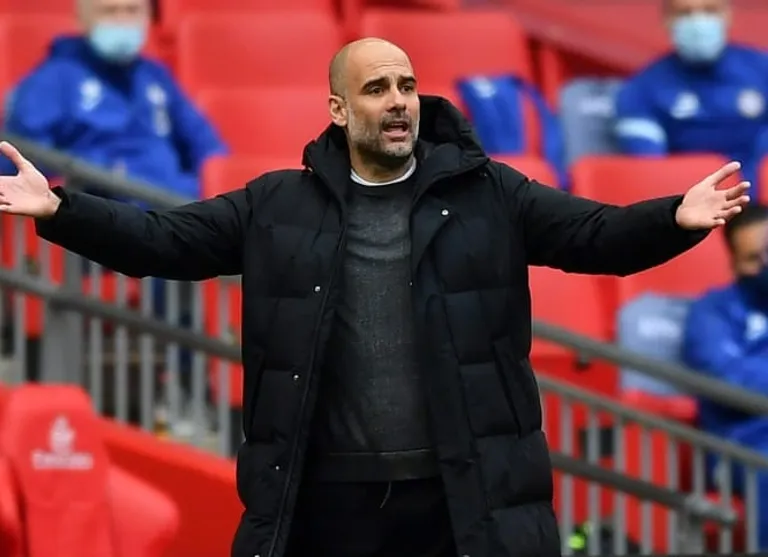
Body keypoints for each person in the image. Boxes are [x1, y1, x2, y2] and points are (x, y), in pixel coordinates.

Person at [0, 38, 750, 557]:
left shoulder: (489, 194)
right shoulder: (276, 204)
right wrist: (62, 210)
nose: (398, 103)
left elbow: (594, 235)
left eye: (407, 86)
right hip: (329, 504)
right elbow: (162, 239)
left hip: (460, 498)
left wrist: (672, 219)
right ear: (337, 109)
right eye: (377, 89)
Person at [0, 0, 227, 200]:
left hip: (174, 207)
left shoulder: (155, 76)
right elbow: (21, 159)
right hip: (104, 212)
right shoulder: (52, 80)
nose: (122, 20)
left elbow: (206, 145)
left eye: (132, 10)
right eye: (109, 11)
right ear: (83, 17)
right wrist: (97, 169)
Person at [682, 203, 768, 549]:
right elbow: (727, 379)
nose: (765, 266)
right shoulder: (712, 312)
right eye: (754, 259)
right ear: (734, 264)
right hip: (740, 446)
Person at [614, 0, 768, 189]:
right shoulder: (641, 89)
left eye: (710, 10)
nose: (699, 22)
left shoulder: (762, 69)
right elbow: (649, 166)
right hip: (688, 198)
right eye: (685, 13)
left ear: (727, 15)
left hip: (759, 197)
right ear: (667, 20)